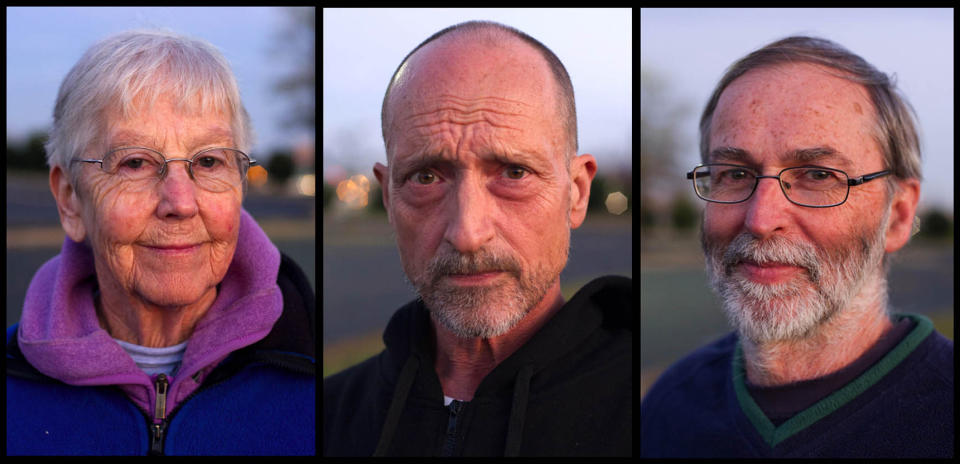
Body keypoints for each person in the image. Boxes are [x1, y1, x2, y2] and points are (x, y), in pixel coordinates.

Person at [323, 20, 632, 456]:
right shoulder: (330, 416)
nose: (468, 234)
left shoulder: (652, 417)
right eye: (426, 177)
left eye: (514, 172)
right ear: (389, 199)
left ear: (576, 192)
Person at [639, 36, 952, 458]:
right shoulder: (669, 407)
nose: (761, 220)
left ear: (897, 215)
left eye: (818, 176)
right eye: (734, 174)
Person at [6, 29, 315, 455]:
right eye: (134, 162)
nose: (180, 203)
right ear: (70, 199)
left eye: (209, 161)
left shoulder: (319, 382)